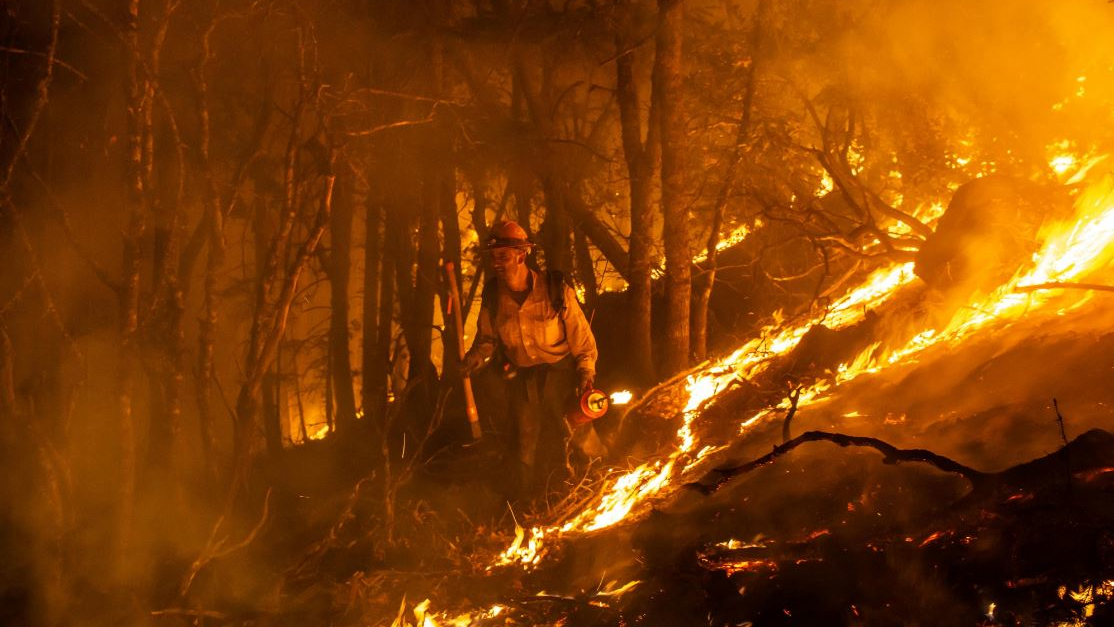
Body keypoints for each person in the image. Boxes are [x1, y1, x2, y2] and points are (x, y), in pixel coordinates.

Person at [462, 220, 607, 498]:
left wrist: (586, 373)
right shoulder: (494, 297)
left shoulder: (554, 290)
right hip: (523, 378)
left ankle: (606, 476)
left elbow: (582, 339)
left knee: (578, 430)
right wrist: (474, 358)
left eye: (503, 256)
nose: (497, 263)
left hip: (561, 373)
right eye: (493, 257)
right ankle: (525, 501)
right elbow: (488, 340)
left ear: (521, 254)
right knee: (524, 440)